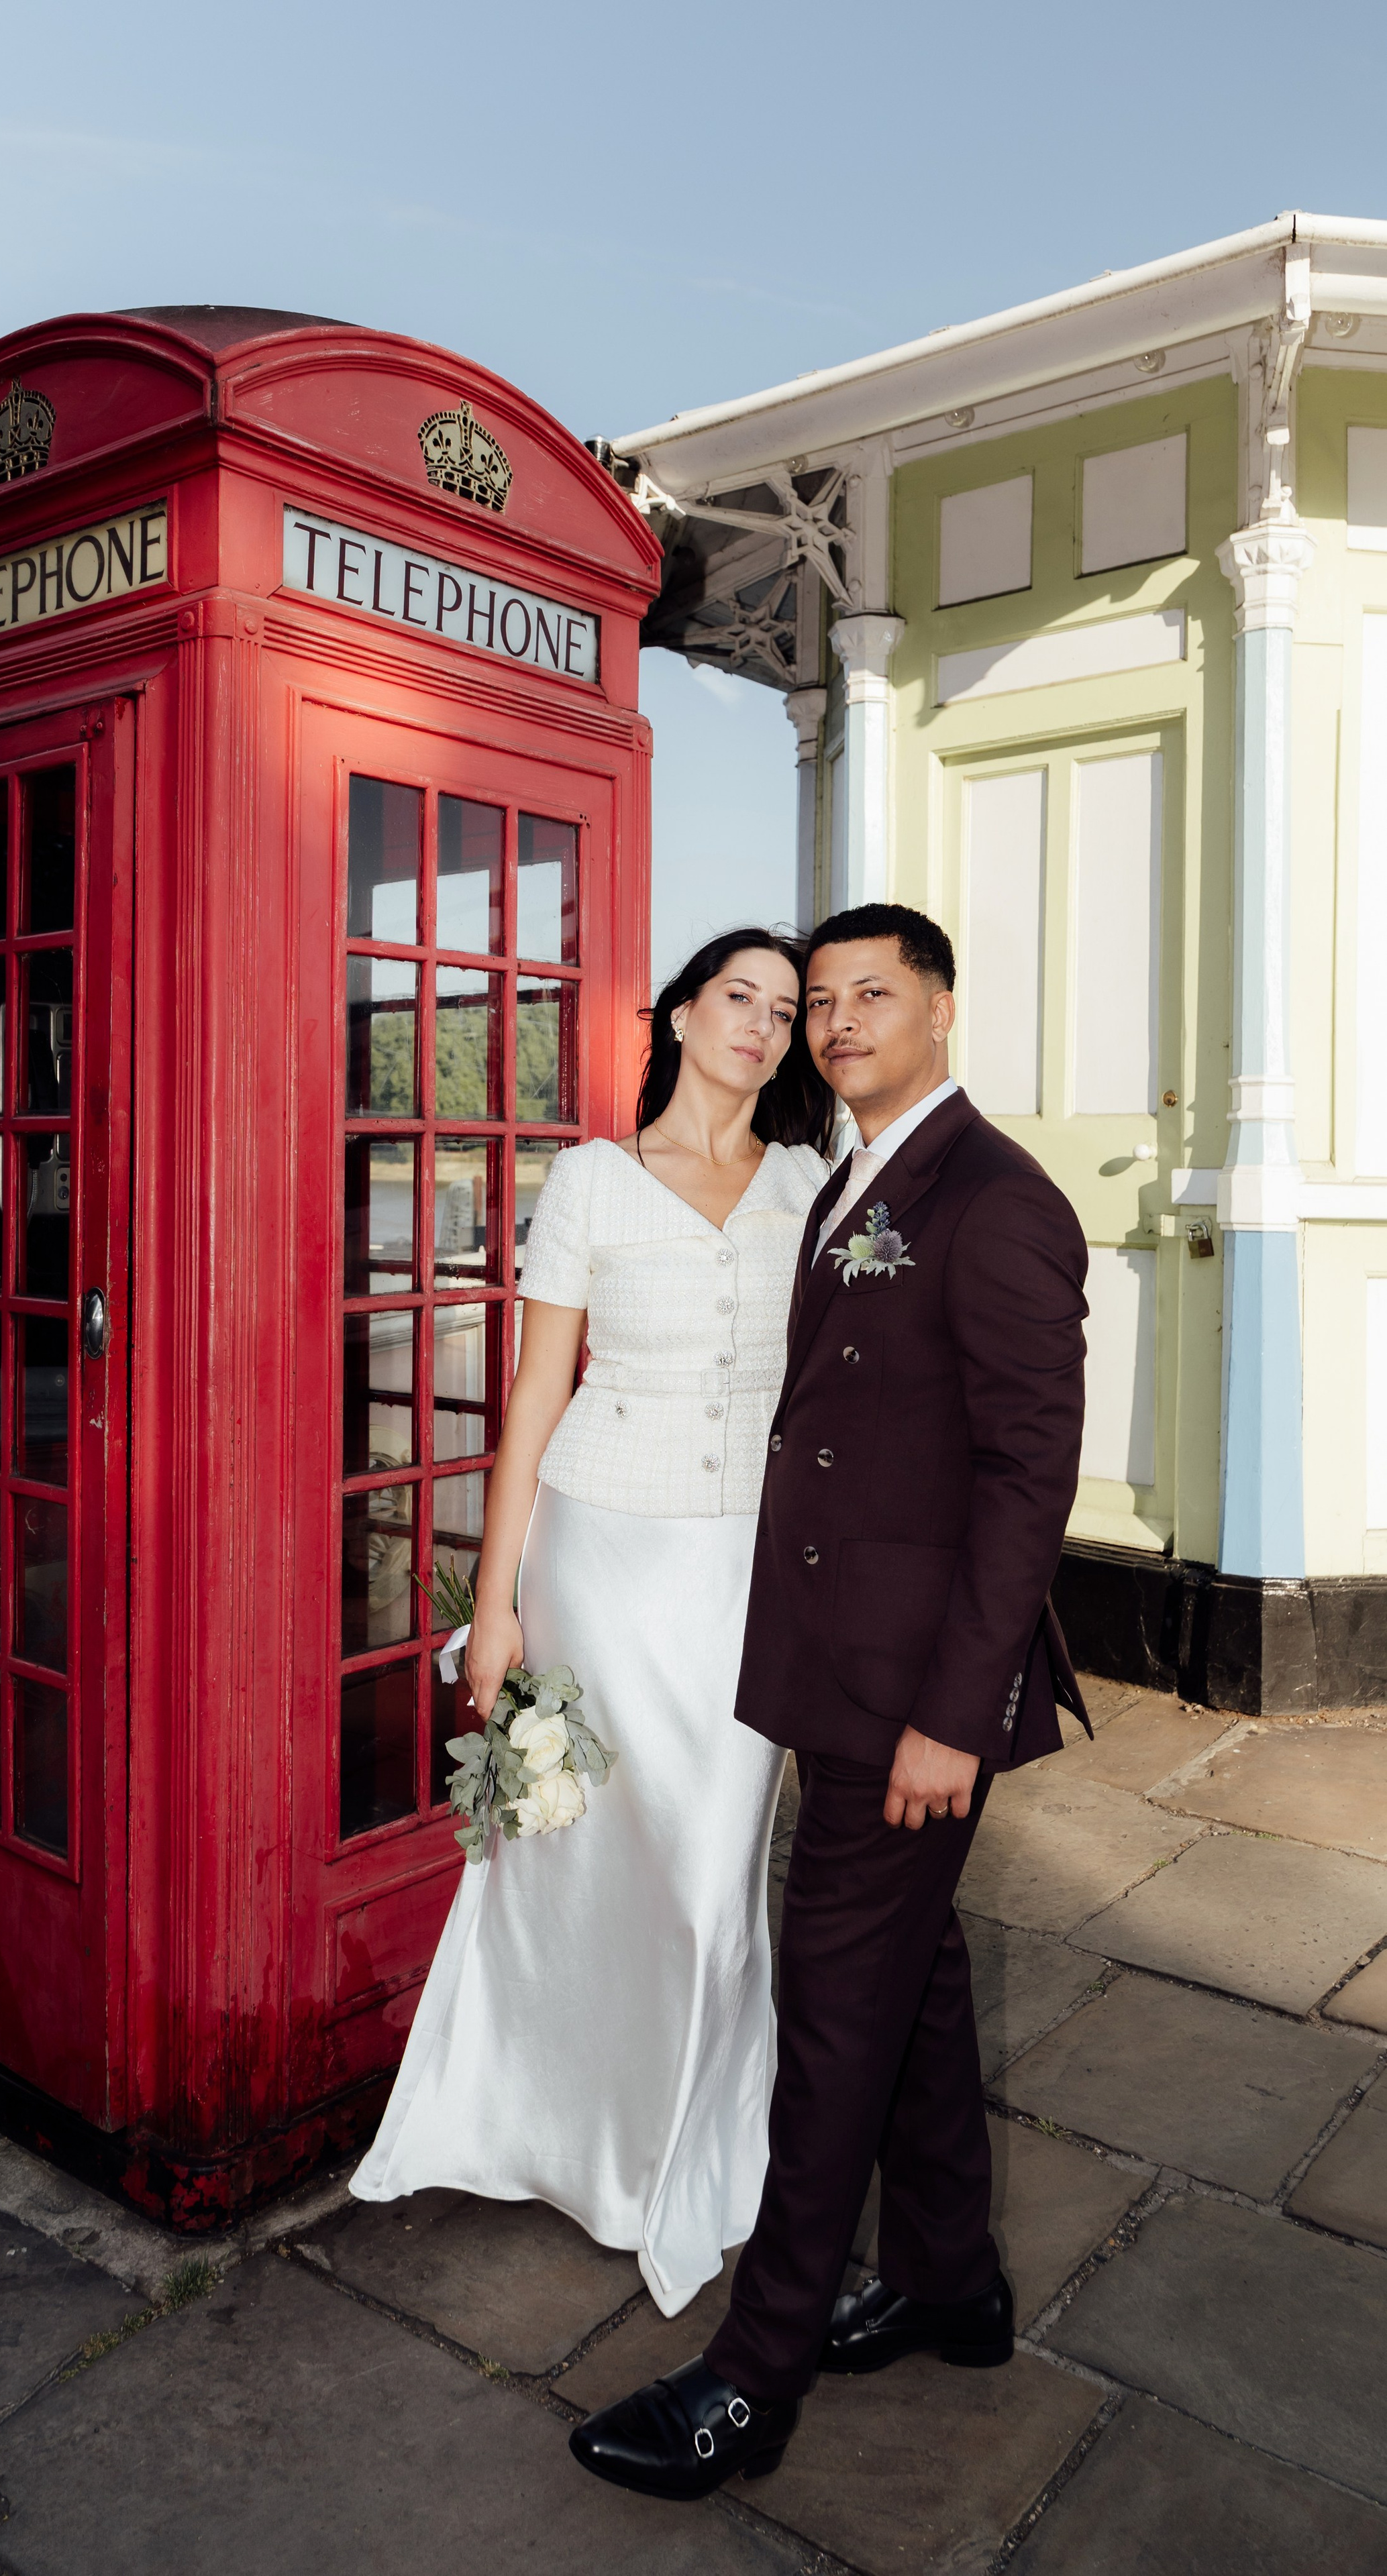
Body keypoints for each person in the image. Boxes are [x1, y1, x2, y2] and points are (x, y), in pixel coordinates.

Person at [570, 902, 1089, 2501]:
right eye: (824, 1001)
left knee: (834, 2016)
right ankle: (949, 2285)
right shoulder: (855, 1175)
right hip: (837, 1666)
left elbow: (1024, 1481)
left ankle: (753, 2372)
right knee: (914, 1976)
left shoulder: (993, 1200)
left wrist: (952, 1712)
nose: (841, 1020)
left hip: (906, 1695)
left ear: (942, 1008)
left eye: (877, 993)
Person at [350, 929, 835, 2315]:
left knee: (705, 1877)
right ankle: (551, 2135)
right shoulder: (591, 1182)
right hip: (602, 1563)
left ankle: (685, 2154)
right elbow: (531, 1398)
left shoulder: (809, 1183)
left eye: (781, 1011)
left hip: (749, 1568)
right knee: (578, 1872)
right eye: (733, 998)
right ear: (677, 1014)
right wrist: (494, 1604)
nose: (756, 1025)